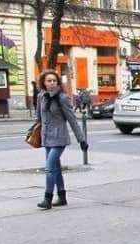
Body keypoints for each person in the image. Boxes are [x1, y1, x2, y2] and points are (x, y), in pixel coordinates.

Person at [32, 69, 88, 210]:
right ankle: (62, 196)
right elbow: (39, 118)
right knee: (55, 168)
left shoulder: (63, 98)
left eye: (54, 81)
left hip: (59, 137)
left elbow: (72, 120)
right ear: (43, 83)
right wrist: (31, 132)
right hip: (46, 137)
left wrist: (81, 139)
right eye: (49, 81)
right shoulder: (41, 97)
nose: (52, 83)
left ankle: (47, 198)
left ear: (57, 83)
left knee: (49, 167)